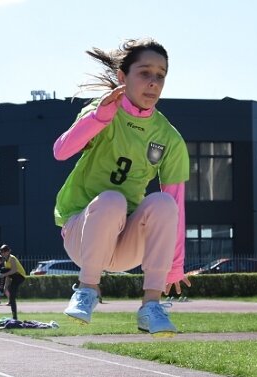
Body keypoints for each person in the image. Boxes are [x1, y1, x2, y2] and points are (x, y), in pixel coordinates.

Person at [52, 38, 190, 336]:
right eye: (145, 73)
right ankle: (87, 290)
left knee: (164, 203)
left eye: (161, 75)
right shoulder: (101, 112)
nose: (153, 82)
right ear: (122, 77)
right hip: (83, 232)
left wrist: (174, 267)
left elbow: (176, 205)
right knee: (112, 199)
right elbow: (61, 151)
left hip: (127, 243)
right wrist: (99, 117)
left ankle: (151, 306)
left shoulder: (169, 138)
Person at [0, 244, 26, 321]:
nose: (3, 253)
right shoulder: (6, 261)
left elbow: (14, 270)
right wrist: (5, 286)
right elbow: (8, 276)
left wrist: (3, 274)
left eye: (4, 251)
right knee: (12, 296)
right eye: (2, 252)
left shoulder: (12, 258)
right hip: (15, 276)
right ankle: (14, 316)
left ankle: (14, 317)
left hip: (20, 276)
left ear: (8, 251)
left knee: (2, 270)